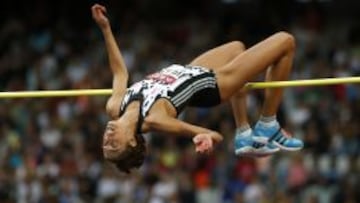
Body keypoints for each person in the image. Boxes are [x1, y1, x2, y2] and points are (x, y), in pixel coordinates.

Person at [91, 4, 303, 173]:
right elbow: (214, 135)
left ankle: (243, 132)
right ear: (131, 141)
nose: (107, 140)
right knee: (286, 41)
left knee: (236, 48)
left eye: (105, 145)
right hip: (215, 83)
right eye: (114, 145)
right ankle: (268, 123)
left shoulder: (115, 106)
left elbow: (120, 73)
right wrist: (205, 137)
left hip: (191, 70)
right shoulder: (155, 119)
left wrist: (105, 29)